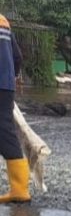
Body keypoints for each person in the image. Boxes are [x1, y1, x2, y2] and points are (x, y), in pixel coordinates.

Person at [0, 13, 27, 204]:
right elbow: (17, 56)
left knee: (4, 132)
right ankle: (19, 188)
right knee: (5, 130)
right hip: (6, 85)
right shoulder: (4, 22)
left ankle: (19, 190)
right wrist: (12, 76)